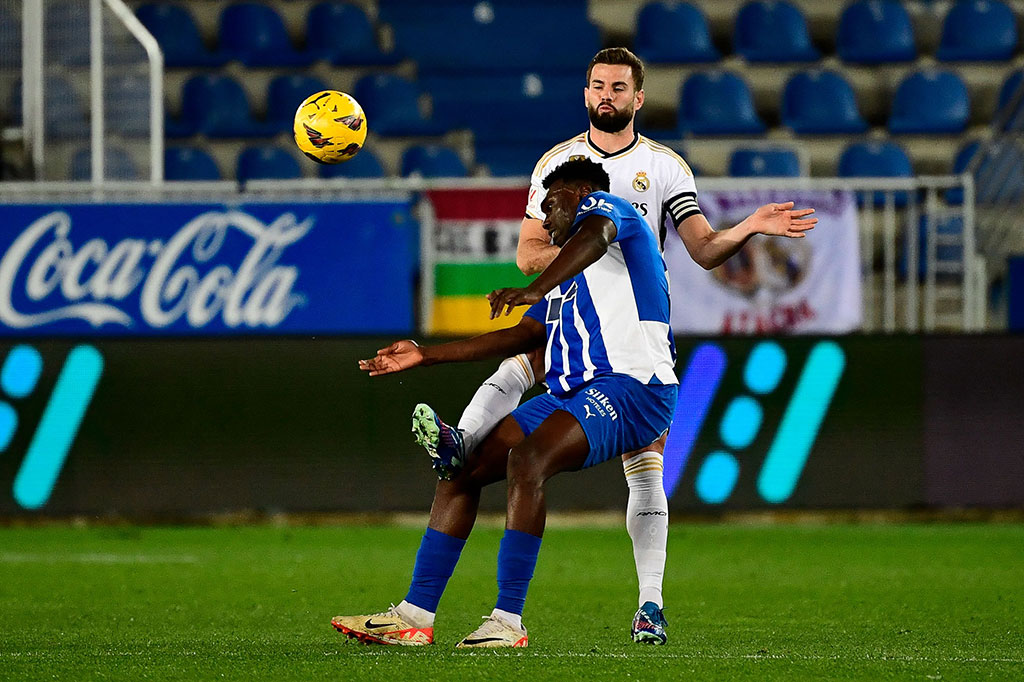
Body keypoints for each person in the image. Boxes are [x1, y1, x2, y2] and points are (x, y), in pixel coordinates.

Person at [407, 47, 818, 644]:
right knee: (521, 363)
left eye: (619, 88)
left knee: (643, 467)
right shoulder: (558, 164)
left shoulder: (665, 167)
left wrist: (748, 227)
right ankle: (460, 446)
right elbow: (528, 251)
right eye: (598, 85)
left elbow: (702, 251)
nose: (607, 96)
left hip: (635, 335)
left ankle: (649, 602)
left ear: (638, 98)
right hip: (570, 311)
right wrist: (580, 268)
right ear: (585, 94)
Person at [332, 158, 816, 649]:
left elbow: (594, 235)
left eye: (551, 202)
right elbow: (521, 335)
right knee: (460, 470)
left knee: (529, 460)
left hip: (636, 389)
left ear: (581, 192)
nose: (544, 218)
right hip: (579, 391)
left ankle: (507, 621)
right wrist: (425, 355)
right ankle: (414, 615)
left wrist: (534, 285)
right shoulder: (570, 277)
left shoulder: (616, 214)